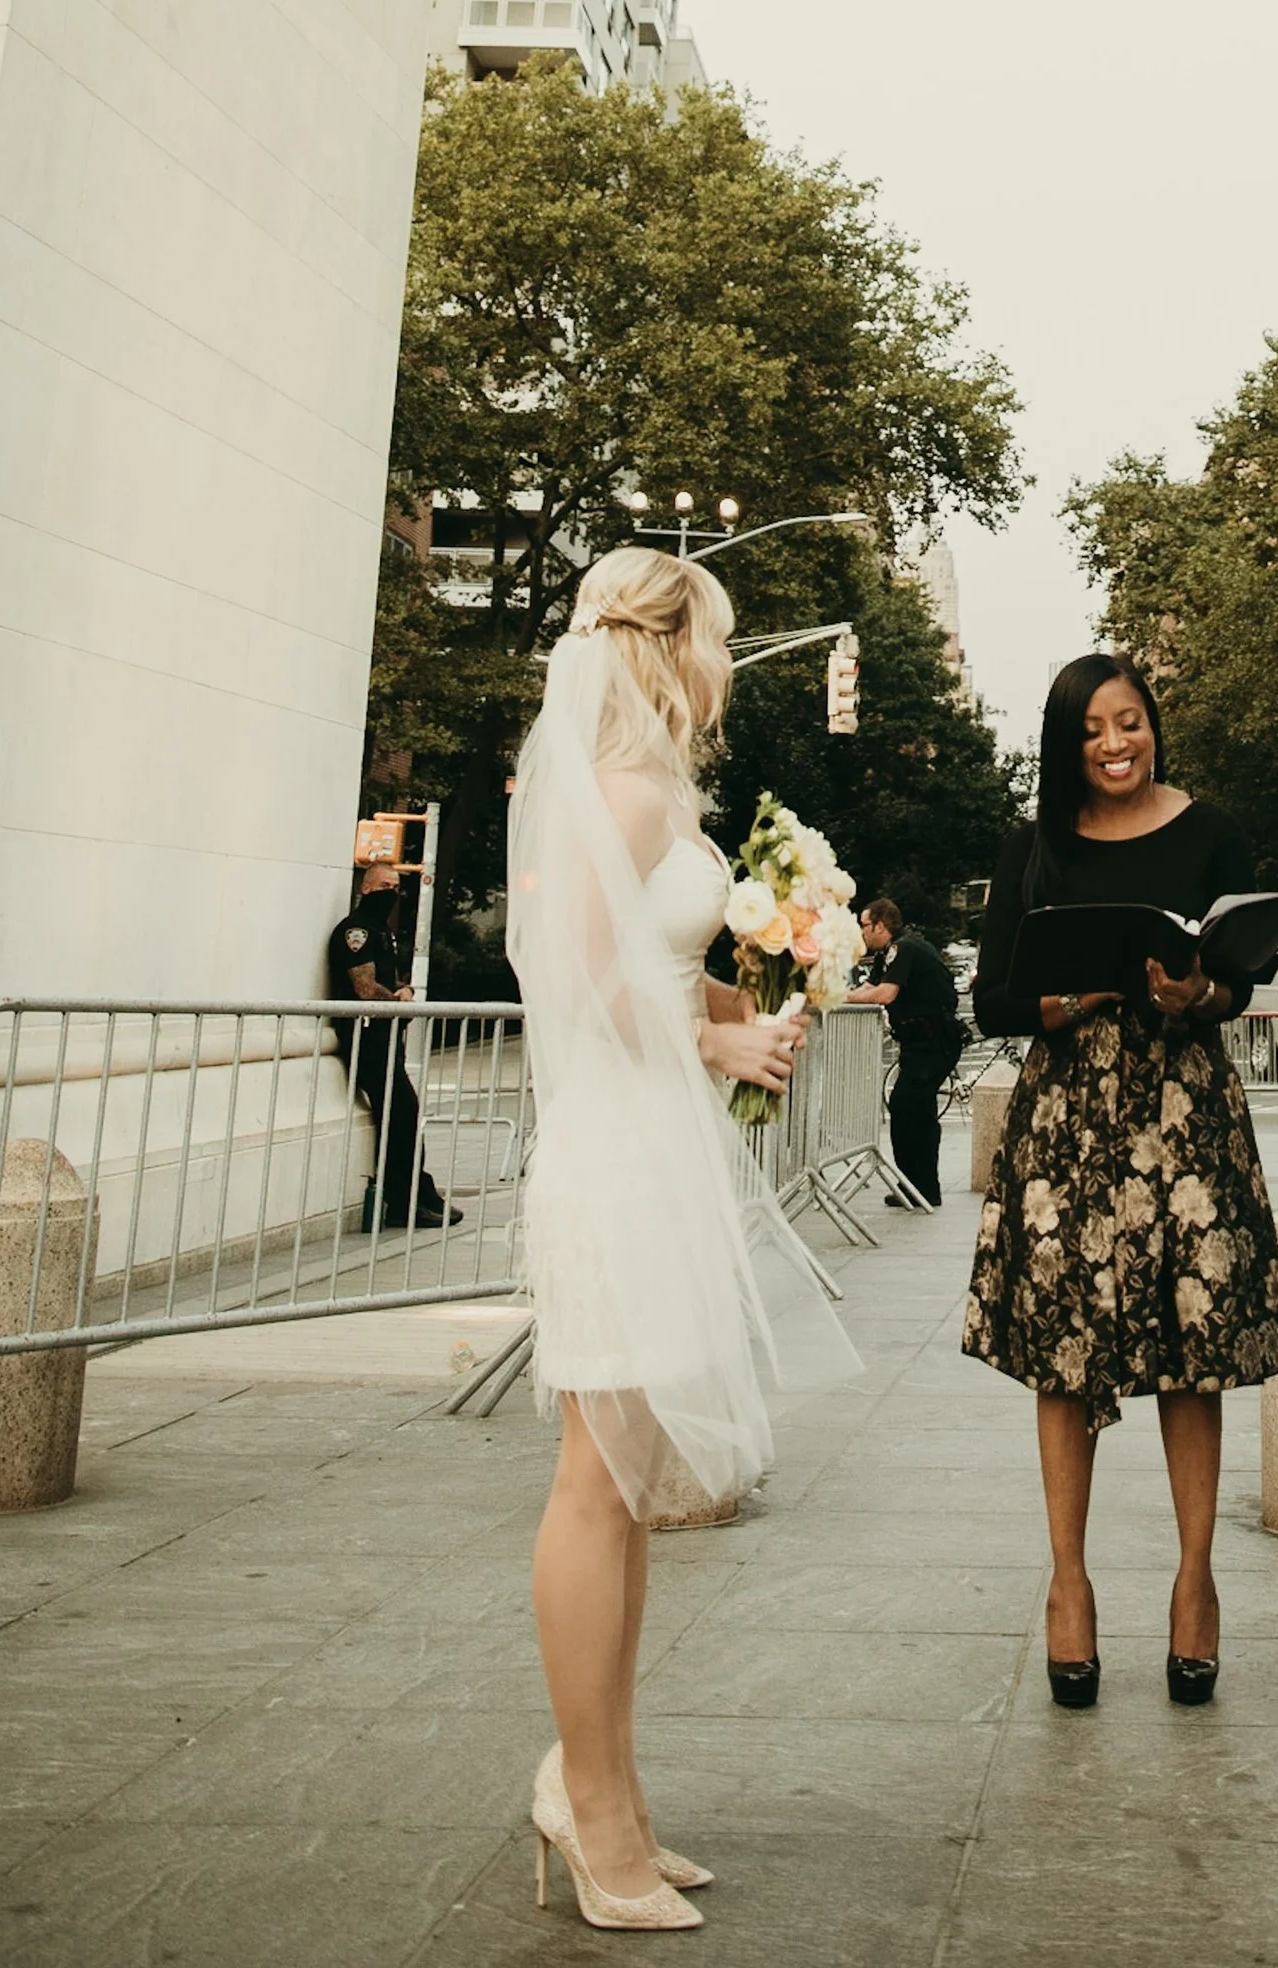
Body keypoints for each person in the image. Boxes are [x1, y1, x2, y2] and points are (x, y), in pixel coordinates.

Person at [506, 546, 859, 1934]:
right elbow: (584, 978)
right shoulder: (629, 789)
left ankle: (608, 1789)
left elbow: (655, 963)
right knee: (596, 1483)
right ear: (666, 646)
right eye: (713, 636)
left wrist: (736, 1007)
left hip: (656, 1141)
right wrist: (718, 1040)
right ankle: (591, 1808)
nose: (723, 661)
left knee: (629, 1481)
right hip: (617, 1150)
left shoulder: (647, 789)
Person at [963, 653, 1278, 1710]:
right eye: (1093, 730)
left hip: (1185, 1111)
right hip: (1068, 1121)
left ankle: (1195, 1585)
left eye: (1131, 722)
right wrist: (1077, 996)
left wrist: (1198, 993)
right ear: (1066, 746)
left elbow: (1238, 980)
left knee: (1194, 1349)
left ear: (1154, 724)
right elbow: (993, 1001)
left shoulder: (1213, 833)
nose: (1116, 744)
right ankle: (1069, 1586)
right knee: (1065, 1355)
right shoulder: (1033, 847)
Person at [325, 863, 458, 1230]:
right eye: (384, 885)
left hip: (385, 1038)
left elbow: (386, 980)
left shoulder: (382, 931)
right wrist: (398, 1003)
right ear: (365, 888)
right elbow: (365, 988)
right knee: (400, 1113)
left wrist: (405, 990)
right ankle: (404, 1200)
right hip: (367, 1038)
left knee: (404, 1114)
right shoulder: (357, 931)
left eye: (395, 886)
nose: (391, 892)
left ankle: (419, 1192)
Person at [843, 897, 965, 1207]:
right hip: (920, 1043)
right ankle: (917, 1186)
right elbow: (870, 987)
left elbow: (885, 994)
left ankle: (921, 1187)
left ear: (881, 925)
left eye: (864, 925)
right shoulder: (889, 953)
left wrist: (842, 999)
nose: (862, 932)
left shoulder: (904, 948)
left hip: (933, 1040)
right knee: (913, 1109)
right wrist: (837, 995)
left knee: (910, 1106)